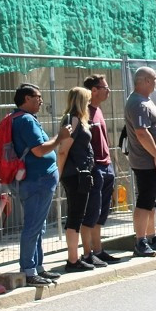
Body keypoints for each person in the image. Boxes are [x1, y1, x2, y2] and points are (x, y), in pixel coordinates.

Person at [10, 83, 72, 286]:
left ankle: (37, 267)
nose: (41, 101)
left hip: (37, 181)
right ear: (26, 99)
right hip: (36, 182)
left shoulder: (23, 119)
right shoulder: (26, 120)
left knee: (39, 227)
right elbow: (38, 150)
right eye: (37, 97)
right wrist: (60, 138)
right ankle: (28, 270)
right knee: (33, 227)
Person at [124, 67, 156, 258]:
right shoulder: (138, 103)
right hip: (146, 162)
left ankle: (152, 237)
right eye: (154, 79)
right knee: (145, 201)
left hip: (152, 161)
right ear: (144, 80)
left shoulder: (144, 101)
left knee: (153, 200)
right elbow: (141, 133)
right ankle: (140, 241)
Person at [81, 74, 124, 260]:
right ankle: (88, 253)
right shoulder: (84, 112)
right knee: (92, 212)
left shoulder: (98, 110)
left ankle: (98, 251)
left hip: (107, 167)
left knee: (102, 212)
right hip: (95, 168)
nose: (109, 91)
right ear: (94, 90)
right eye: (105, 87)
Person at [58, 88, 99, 271]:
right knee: (75, 216)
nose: (89, 104)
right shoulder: (72, 119)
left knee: (78, 215)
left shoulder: (77, 119)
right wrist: (58, 174)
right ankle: (72, 260)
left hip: (80, 174)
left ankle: (74, 259)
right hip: (74, 175)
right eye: (87, 100)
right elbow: (63, 149)